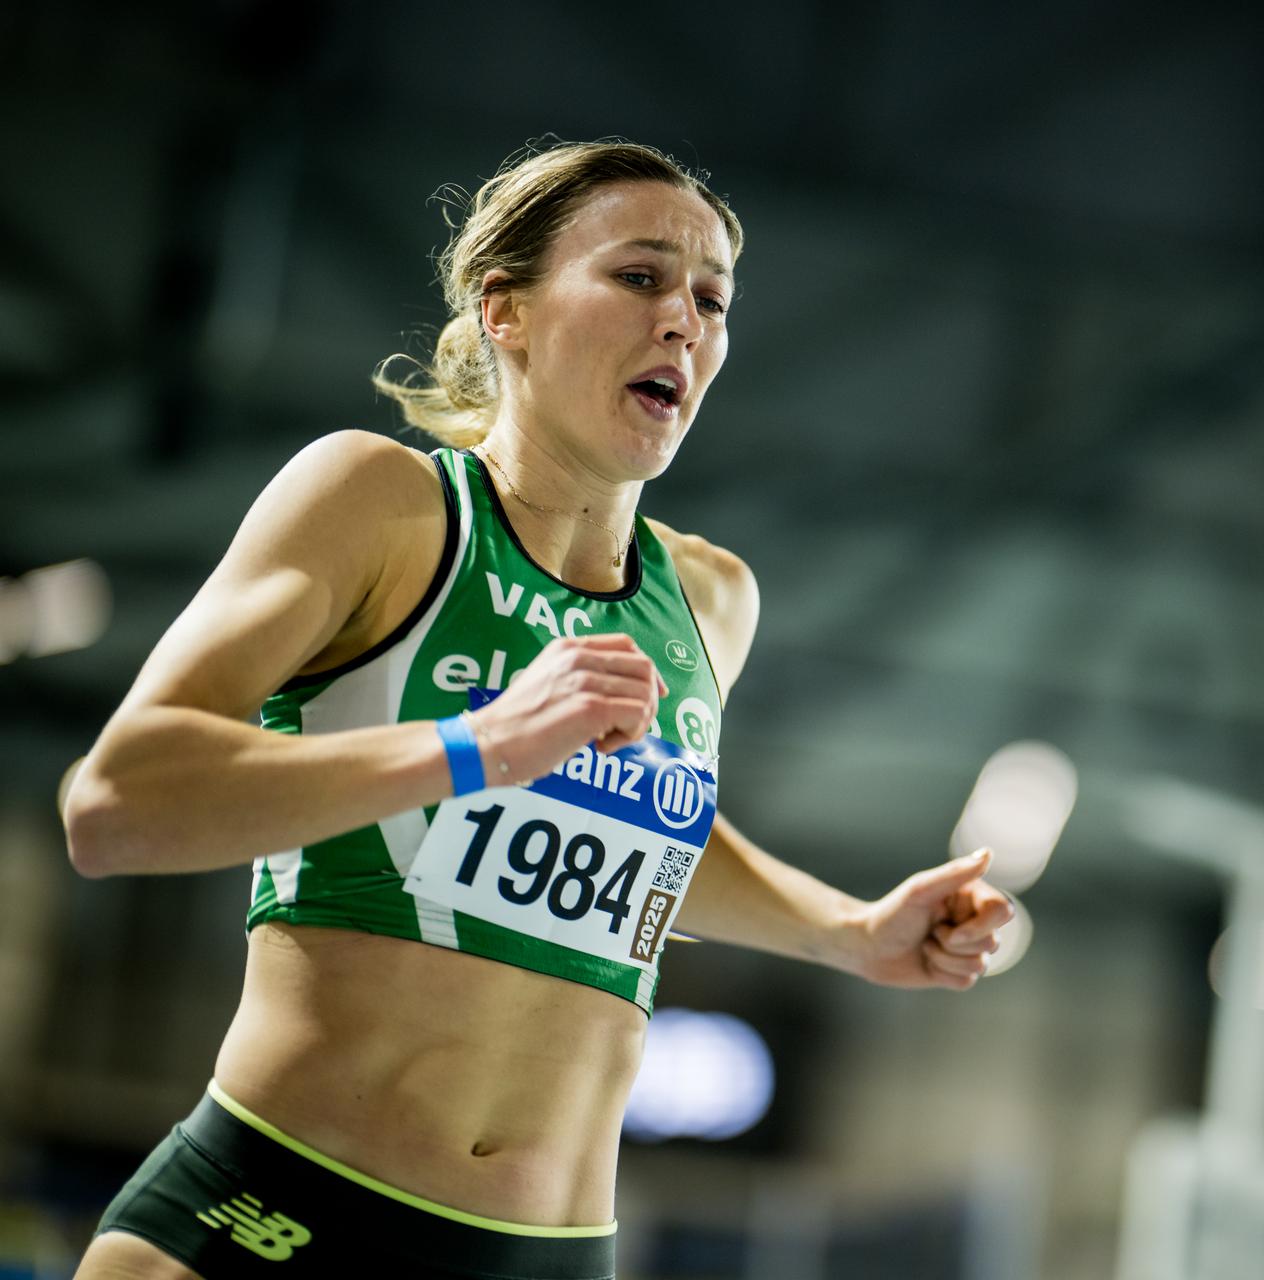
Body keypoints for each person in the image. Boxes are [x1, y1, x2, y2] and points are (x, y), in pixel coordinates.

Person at [62, 139, 1014, 1280]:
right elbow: (116, 804)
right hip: (279, 1208)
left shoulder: (711, 598)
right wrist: (478, 744)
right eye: (640, 276)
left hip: (549, 1250)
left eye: (711, 300)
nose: (685, 322)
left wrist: (847, 932)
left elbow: (649, 833)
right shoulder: (381, 502)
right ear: (503, 309)